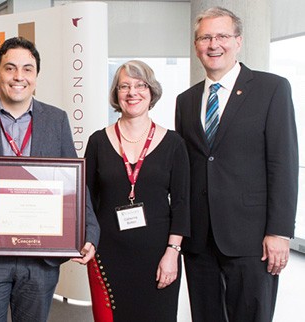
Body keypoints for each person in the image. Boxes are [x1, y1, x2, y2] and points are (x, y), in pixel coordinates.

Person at [0, 37, 99, 322]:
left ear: (36, 77)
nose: (19, 77)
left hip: (40, 258)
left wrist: (89, 230)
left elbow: (74, 181)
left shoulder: (57, 120)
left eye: (27, 69)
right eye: (10, 68)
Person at [175, 7, 298, 322]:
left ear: (238, 41)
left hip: (252, 238)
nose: (213, 44)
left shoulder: (272, 89)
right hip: (199, 239)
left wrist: (280, 232)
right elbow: (187, 169)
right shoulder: (185, 101)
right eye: (205, 37)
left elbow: (283, 164)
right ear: (196, 45)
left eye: (222, 36)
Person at [84, 60, 190, 322]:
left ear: (151, 91)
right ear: (116, 94)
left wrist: (172, 253)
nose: (132, 92)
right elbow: (85, 199)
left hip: (157, 256)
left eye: (140, 85)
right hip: (106, 255)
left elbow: (182, 203)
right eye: (124, 86)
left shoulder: (173, 143)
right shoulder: (98, 141)